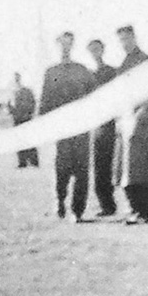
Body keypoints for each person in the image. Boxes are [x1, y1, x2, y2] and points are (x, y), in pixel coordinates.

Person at [40, 32, 96, 222]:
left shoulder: (81, 70)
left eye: (69, 44)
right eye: (62, 44)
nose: (65, 47)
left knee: (82, 170)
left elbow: (94, 96)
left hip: (81, 126)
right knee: (61, 167)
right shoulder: (51, 72)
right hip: (61, 128)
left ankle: (77, 210)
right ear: (57, 46)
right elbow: (45, 102)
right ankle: (60, 201)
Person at [114, 24, 148, 223]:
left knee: (138, 170)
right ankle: (145, 207)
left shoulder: (144, 61)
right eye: (121, 40)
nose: (124, 43)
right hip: (128, 120)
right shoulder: (125, 63)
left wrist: (141, 116)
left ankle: (142, 210)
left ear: (134, 38)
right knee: (127, 170)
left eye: (127, 39)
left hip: (145, 121)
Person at [82, 38, 119, 217]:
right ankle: (107, 205)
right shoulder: (88, 75)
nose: (95, 53)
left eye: (98, 49)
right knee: (100, 166)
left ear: (103, 50)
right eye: (92, 50)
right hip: (97, 124)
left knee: (120, 165)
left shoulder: (112, 71)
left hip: (113, 123)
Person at [8, 72, 39, 168]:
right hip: (18, 118)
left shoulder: (26, 91)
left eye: (17, 78)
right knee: (20, 140)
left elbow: (32, 103)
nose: (16, 80)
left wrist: (29, 113)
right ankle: (23, 161)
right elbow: (10, 105)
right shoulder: (13, 91)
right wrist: (12, 111)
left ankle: (33, 161)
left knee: (29, 139)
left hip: (25, 117)